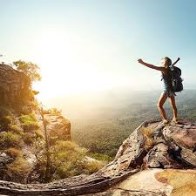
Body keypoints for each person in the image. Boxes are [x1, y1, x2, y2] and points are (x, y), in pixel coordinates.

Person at [138, 57, 180, 124]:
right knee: (174, 106)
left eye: (162, 62)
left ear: (164, 63)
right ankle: (175, 118)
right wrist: (177, 60)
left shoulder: (163, 69)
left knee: (159, 105)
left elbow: (153, 66)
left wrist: (142, 62)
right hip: (172, 90)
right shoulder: (171, 68)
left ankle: (165, 119)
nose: (161, 63)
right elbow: (173, 64)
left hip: (166, 90)